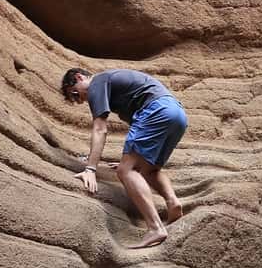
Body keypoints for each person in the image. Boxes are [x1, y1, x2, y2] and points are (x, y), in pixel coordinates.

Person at [60, 65, 187, 248]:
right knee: (149, 169)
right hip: (177, 114)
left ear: (80, 77)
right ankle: (173, 203)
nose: (80, 100)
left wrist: (90, 169)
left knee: (126, 171)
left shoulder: (98, 82)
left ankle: (155, 228)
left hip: (155, 110)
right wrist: (130, 161)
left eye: (75, 94)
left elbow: (100, 129)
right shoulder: (113, 84)